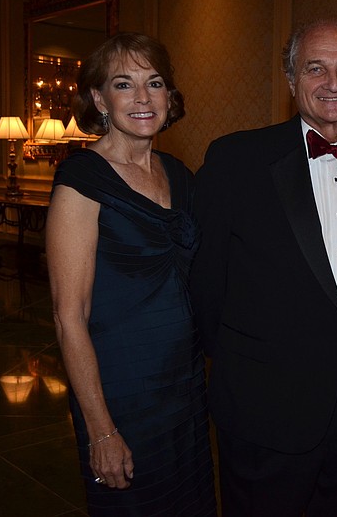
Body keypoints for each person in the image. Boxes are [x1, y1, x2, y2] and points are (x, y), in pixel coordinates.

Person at [190, 19, 337, 517]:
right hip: (265, 415)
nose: (333, 83)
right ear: (291, 80)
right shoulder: (236, 161)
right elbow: (205, 286)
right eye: (315, 68)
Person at [46, 33, 216, 515]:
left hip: (183, 388)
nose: (143, 98)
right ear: (99, 99)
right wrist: (101, 428)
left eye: (154, 83)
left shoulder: (181, 176)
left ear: (169, 97)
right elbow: (68, 318)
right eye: (124, 84)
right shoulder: (83, 180)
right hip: (120, 390)